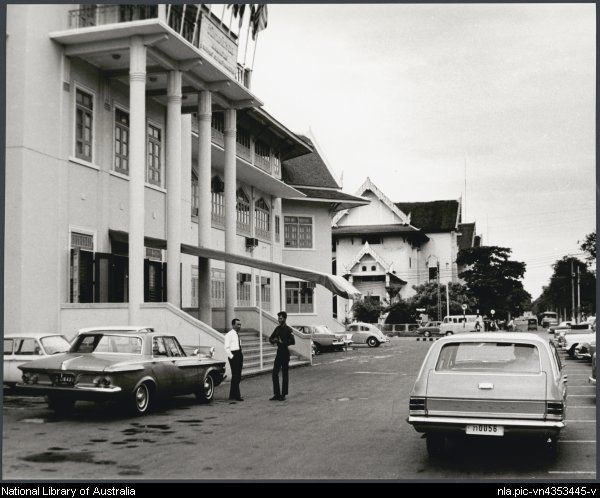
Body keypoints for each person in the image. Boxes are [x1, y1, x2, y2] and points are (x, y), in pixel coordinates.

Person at [269, 311, 295, 401]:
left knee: (284, 374)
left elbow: (292, 341)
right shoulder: (277, 329)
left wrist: (283, 342)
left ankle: (283, 394)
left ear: (284, 318)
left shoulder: (288, 329)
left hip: (285, 353)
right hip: (279, 353)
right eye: (278, 318)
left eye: (280, 318)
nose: (279, 320)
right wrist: (274, 340)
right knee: (274, 373)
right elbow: (270, 338)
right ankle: (276, 393)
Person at [224, 318, 244, 401]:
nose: (239, 326)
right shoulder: (229, 335)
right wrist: (232, 357)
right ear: (233, 325)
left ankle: (232, 395)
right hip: (234, 355)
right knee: (235, 375)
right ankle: (237, 395)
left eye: (240, 324)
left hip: (239, 354)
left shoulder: (237, 334)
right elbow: (226, 348)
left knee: (238, 376)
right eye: (237, 324)